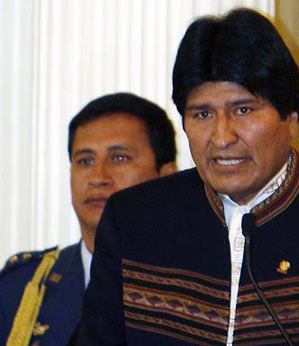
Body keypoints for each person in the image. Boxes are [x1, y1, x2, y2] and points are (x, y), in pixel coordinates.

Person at [74, 8, 299, 345]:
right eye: (202, 114)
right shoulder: (133, 220)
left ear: (290, 116)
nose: (222, 136)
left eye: (243, 110)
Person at [0, 92, 177, 345]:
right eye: (85, 161)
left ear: (166, 176)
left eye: (119, 158)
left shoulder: (201, 285)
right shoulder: (22, 287)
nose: (97, 177)